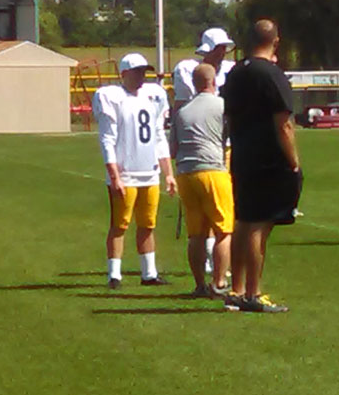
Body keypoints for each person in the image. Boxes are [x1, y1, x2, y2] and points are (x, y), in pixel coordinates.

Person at [221, 19, 301, 313]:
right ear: (275, 42)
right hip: (268, 159)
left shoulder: (235, 72)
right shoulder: (271, 74)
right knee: (259, 225)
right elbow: (284, 125)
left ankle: (237, 289)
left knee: (243, 222)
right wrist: (293, 163)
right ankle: (253, 294)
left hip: (242, 155)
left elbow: (228, 115)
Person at [92, 53, 177, 289]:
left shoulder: (153, 96)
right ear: (124, 74)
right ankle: (114, 275)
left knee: (148, 224)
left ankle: (149, 273)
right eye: (137, 71)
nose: (142, 76)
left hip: (149, 173)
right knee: (120, 225)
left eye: (144, 71)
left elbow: (160, 136)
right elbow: (107, 139)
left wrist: (168, 172)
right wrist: (114, 176)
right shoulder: (113, 97)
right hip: (126, 174)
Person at [173, 28, 236, 274]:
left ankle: (211, 264)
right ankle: (216, 273)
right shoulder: (189, 71)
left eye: (223, 48)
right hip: (201, 145)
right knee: (215, 220)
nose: (222, 53)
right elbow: (182, 105)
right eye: (218, 48)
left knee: (214, 214)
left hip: (222, 145)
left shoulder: (229, 71)